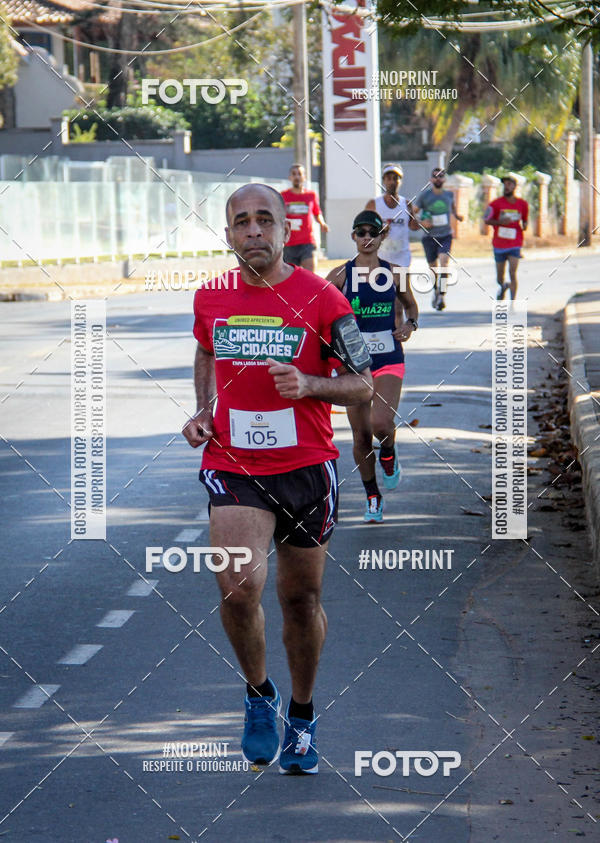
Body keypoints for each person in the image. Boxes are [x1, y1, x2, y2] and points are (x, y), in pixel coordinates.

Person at [182, 183, 373, 775]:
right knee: (238, 589)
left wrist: (313, 384)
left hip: (307, 469)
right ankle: (259, 694)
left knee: (300, 599)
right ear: (230, 234)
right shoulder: (211, 297)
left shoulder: (323, 299)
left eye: (265, 220)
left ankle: (303, 711)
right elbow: (208, 353)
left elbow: (363, 382)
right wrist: (205, 409)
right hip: (235, 465)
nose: (254, 232)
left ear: (288, 231)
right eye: (242, 222)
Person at [326, 210, 418, 523]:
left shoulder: (394, 273)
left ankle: (389, 453)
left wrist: (409, 325)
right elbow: (318, 312)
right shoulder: (339, 275)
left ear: (382, 237)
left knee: (381, 424)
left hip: (389, 358)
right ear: (353, 236)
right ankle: (372, 496)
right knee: (362, 437)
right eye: (360, 232)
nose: (367, 238)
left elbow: (411, 306)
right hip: (353, 365)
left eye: (372, 233)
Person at [413, 167, 463, 311]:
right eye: (435, 176)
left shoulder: (449, 195)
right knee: (433, 268)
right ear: (431, 180)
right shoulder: (424, 196)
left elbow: (453, 209)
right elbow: (412, 214)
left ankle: (442, 294)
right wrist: (422, 223)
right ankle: (436, 290)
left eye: (441, 176)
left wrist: (458, 216)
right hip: (429, 237)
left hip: (445, 235)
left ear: (445, 180)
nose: (438, 179)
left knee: (444, 262)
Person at [484, 174, 529, 300]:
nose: (507, 187)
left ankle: (513, 303)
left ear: (515, 186)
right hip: (499, 244)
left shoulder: (522, 204)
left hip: (515, 242)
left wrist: (525, 225)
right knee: (500, 276)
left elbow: (525, 220)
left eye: (510, 184)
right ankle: (503, 285)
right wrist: (500, 222)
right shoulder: (495, 204)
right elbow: (486, 220)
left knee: (513, 273)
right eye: (505, 184)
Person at [365, 163, 418, 270]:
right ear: (384, 181)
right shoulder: (373, 204)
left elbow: (413, 226)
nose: (392, 182)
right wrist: (380, 229)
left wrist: (422, 222)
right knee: (381, 287)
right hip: (379, 258)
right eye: (388, 178)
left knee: (403, 287)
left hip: (402, 258)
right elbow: (364, 229)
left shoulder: (407, 204)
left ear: (400, 181)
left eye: (396, 178)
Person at [280, 163, 329, 272]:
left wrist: (322, 223)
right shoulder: (283, 196)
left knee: (310, 276)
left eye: (300, 174)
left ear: (304, 177)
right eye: (294, 174)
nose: (297, 177)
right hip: (289, 243)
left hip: (307, 242)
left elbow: (317, 212)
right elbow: (278, 215)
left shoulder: (311, 195)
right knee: (290, 279)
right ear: (290, 177)